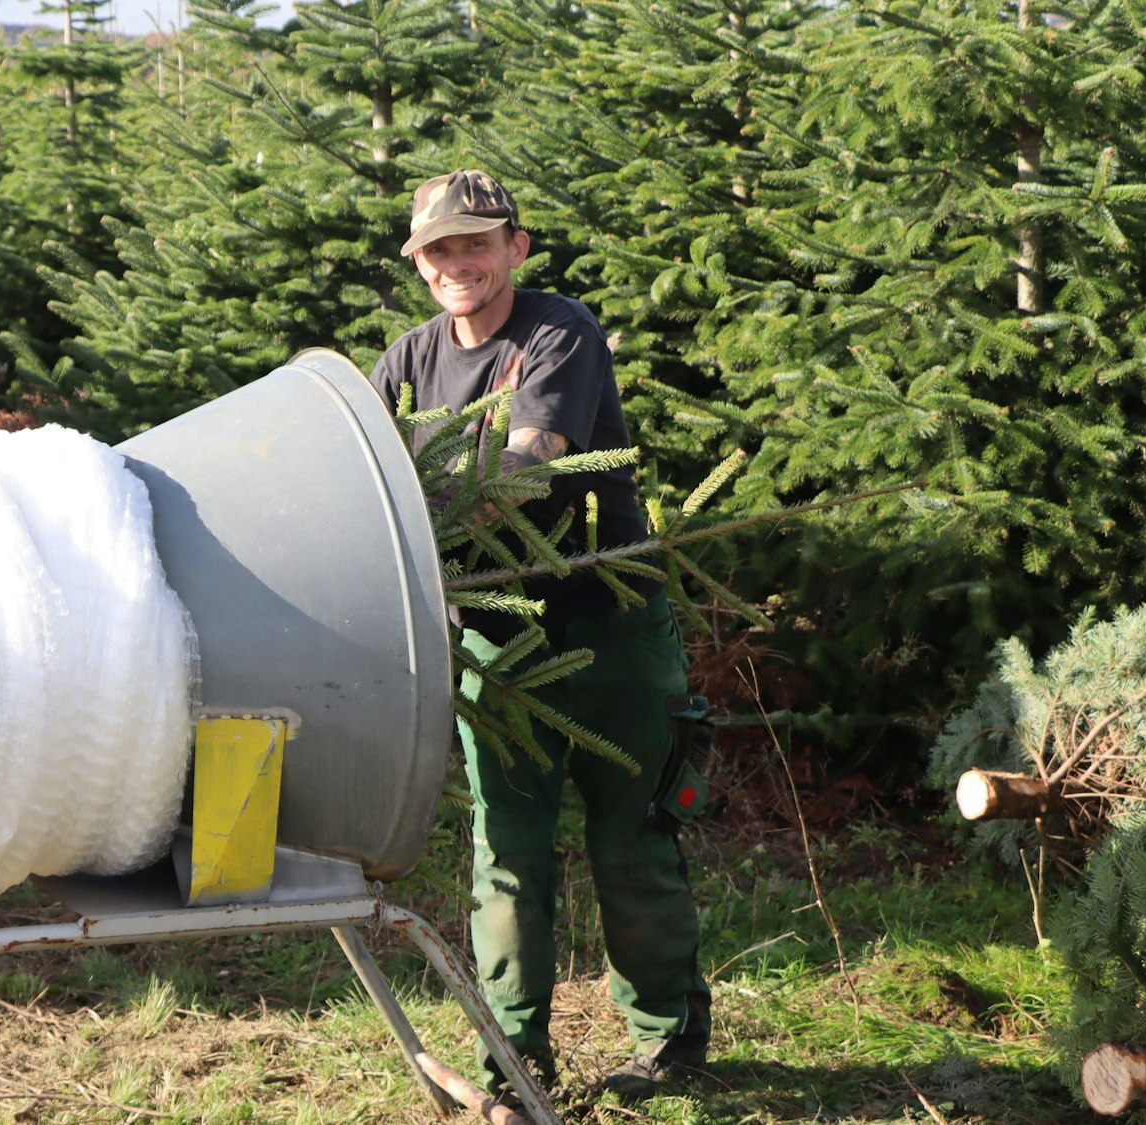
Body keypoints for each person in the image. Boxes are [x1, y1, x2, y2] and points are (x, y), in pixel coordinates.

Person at [371, 169, 713, 1102]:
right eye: (438, 249)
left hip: (611, 627)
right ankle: (514, 1060)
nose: (457, 263)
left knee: (633, 839)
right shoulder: (405, 364)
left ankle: (670, 1047)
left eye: (475, 244)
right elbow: (361, 478)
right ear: (419, 263)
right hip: (499, 648)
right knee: (507, 854)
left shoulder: (561, 332)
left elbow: (534, 458)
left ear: (515, 247)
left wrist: (429, 503)